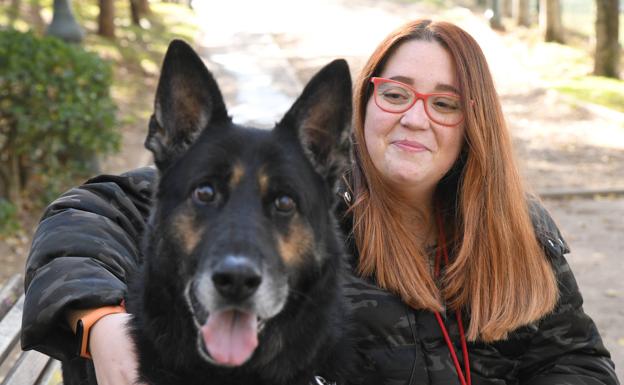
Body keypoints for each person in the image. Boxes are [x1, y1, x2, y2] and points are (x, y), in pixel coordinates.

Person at [21, 19, 619, 385]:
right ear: (361, 107)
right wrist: (97, 321)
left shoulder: (518, 228)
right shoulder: (309, 200)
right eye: (396, 93)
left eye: (445, 103)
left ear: (475, 124)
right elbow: (89, 214)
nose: (416, 117)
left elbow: (576, 364)